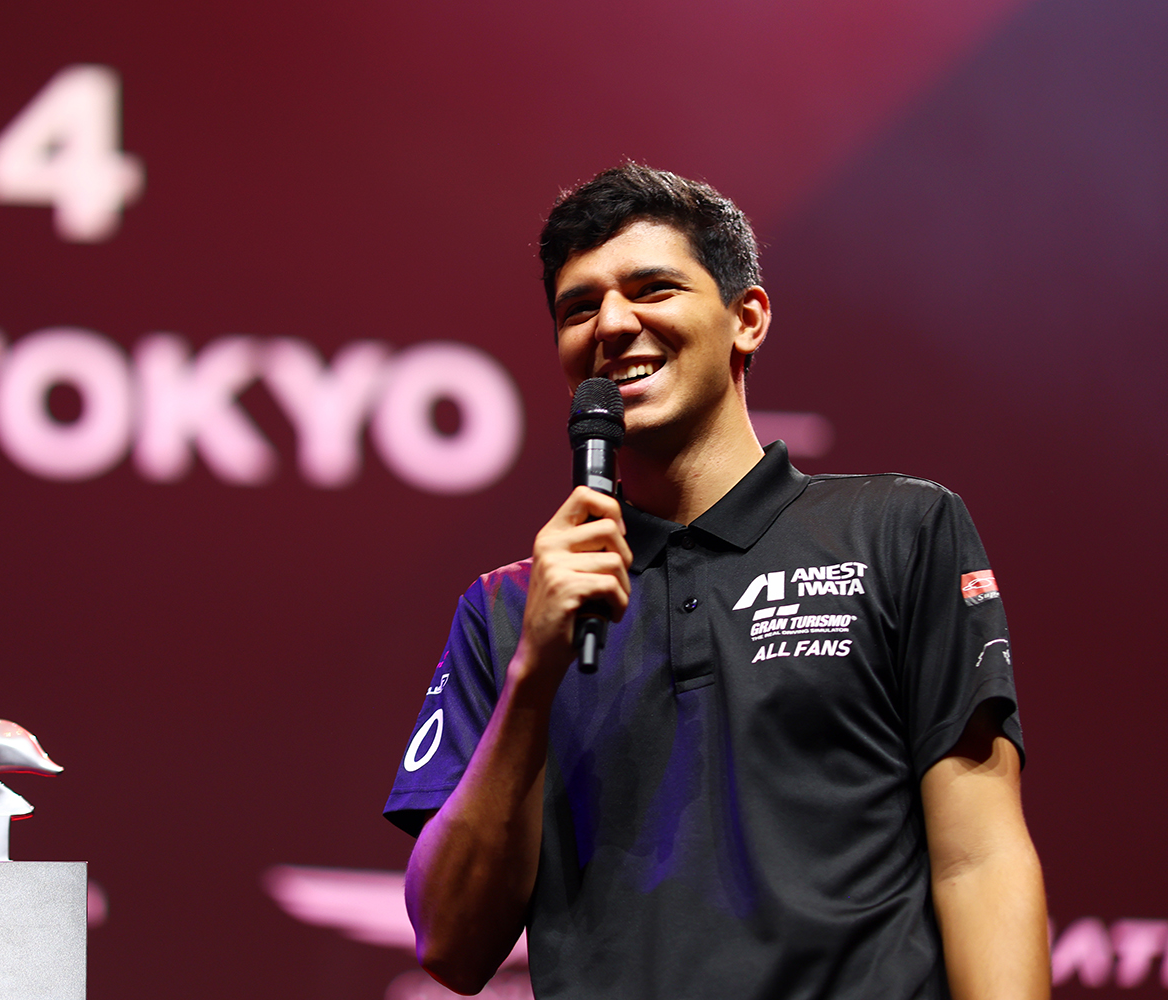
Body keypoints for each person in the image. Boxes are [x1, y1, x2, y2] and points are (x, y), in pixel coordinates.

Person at [383, 163, 1049, 999]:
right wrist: (534, 675)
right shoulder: (508, 610)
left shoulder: (899, 530)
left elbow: (979, 859)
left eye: (652, 289)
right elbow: (451, 946)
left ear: (748, 318)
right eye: (578, 308)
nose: (611, 324)